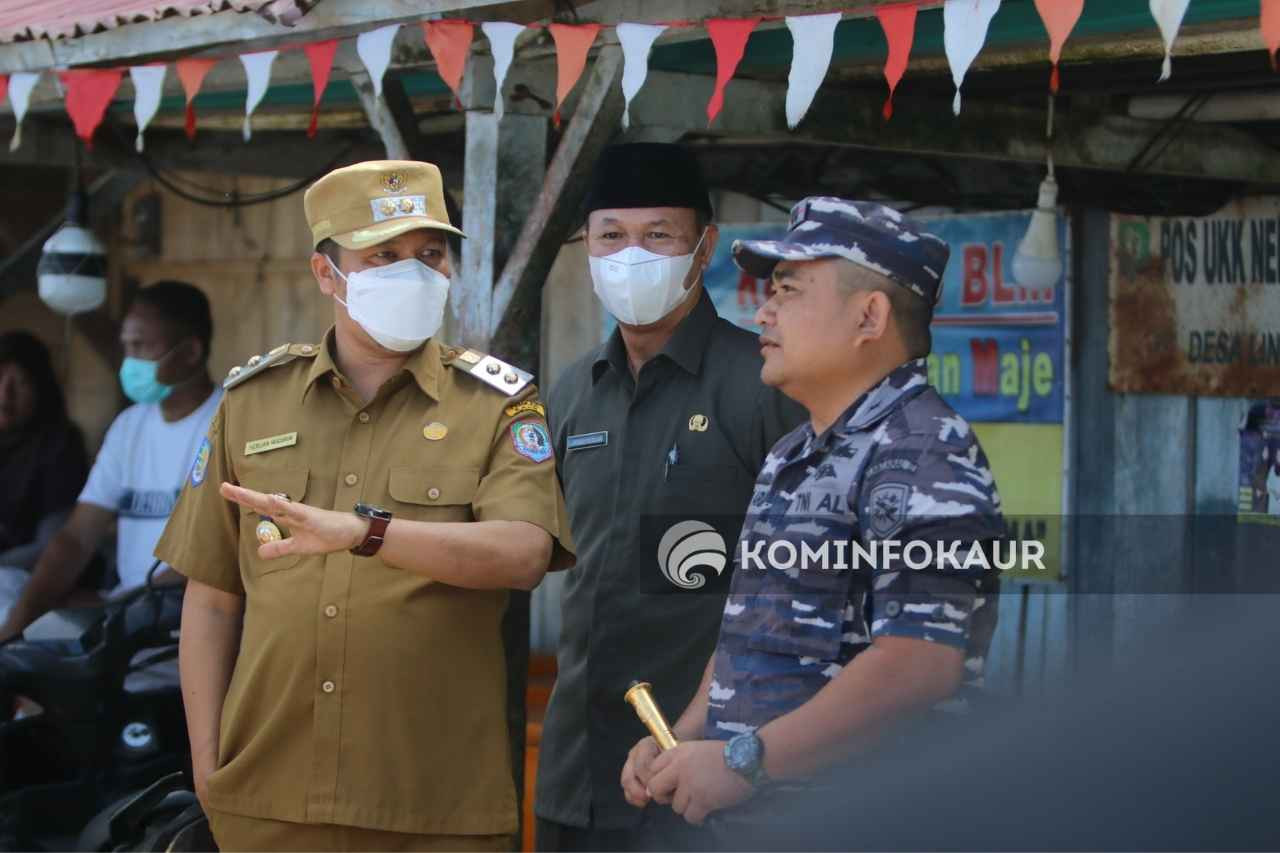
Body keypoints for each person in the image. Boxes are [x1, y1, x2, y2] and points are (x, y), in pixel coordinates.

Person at [156, 159, 574, 852]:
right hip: (268, 801)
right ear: (327, 274)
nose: (412, 273)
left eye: (430, 254)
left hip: (435, 806)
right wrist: (208, 763)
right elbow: (210, 599)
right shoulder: (252, 401)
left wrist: (365, 532)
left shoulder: (497, 404)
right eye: (383, 255)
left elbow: (525, 552)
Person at [621, 197, 1005, 826]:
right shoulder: (793, 452)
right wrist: (686, 738)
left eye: (789, 291)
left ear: (869, 316)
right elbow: (755, 628)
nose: (763, 312)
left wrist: (743, 761)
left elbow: (918, 666)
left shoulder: (923, 448)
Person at [534, 143, 804, 852]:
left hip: (710, 782)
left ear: (704, 246)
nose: (632, 255)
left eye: (659, 235)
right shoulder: (570, 392)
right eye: (611, 236)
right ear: (587, 250)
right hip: (577, 777)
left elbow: (807, 586)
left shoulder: (763, 387)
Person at [0, 282, 219, 641]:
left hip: (183, 618)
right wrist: (19, 621)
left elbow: (203, 560)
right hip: (123, 607)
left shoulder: (226, 422)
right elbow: (76, 537)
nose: (129, 360)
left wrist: (113, 609)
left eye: (141, 347)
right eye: (125, 346)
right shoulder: (129, 426)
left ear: (191, 352)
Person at [0, 331, 89, 574]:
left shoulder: (60, 445)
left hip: (27, 578)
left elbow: (50, 545)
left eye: (20, 382)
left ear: (41, 387)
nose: (4, 397)